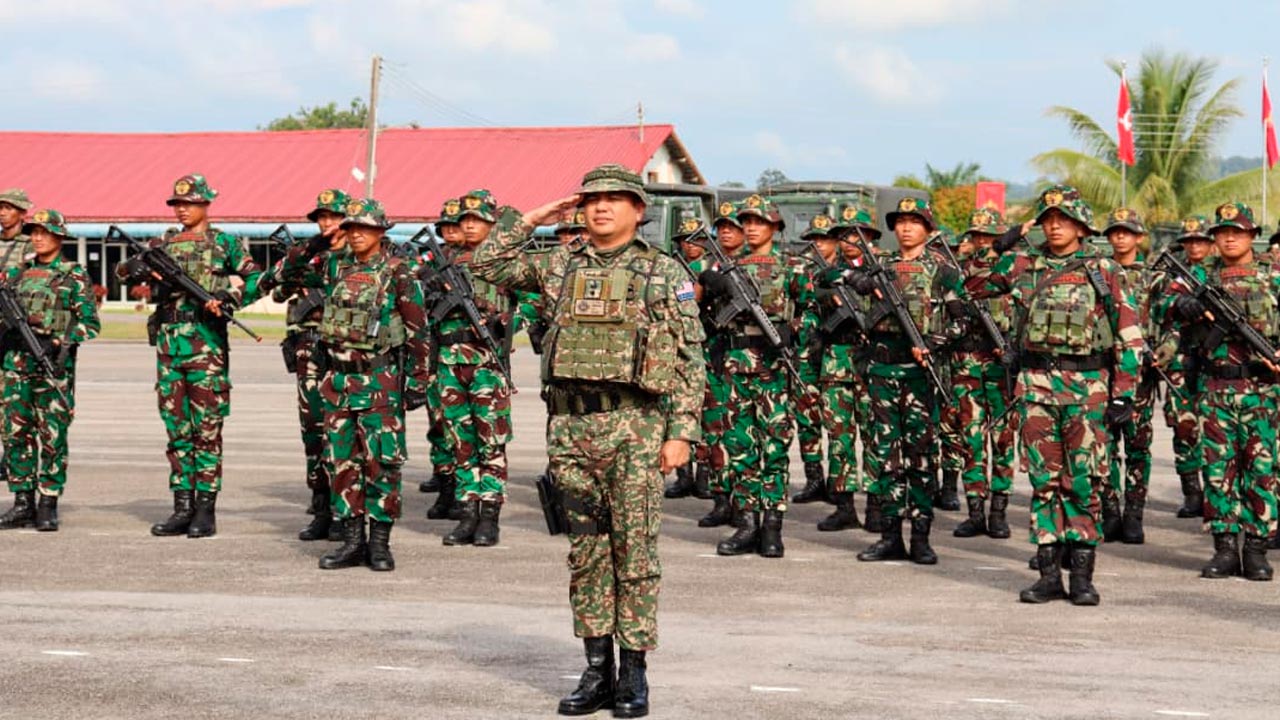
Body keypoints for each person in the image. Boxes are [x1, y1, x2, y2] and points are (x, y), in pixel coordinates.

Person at [471, 163, 705, 718]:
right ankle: (596, 668)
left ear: (638, 209)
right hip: (571, 431)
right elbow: (487, 261)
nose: (602, 207)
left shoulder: (661, 272)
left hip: (636, 429)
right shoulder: (559, 265)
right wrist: (534, 217)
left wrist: (682, 434)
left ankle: (634, 674)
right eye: (593, 199)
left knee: (636, 552)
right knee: (587, 553)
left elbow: (691, 358)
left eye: (615, 199)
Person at [974, 184, 1144, 605]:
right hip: (1036, 390)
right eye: (1048, 219)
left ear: (1081, 226)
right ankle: (1048, 573)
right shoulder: (1024, 265)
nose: (1054, 225)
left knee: (1084, 483)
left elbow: (1130, 335)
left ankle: (1082, 578)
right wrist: (1009, 238)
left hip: (1088, 391)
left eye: (1063, 219)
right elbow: (973, 283)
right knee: (1043, 483)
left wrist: (1123, 393)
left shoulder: (1103, 269)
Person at [281, 197, 430, 571]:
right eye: (352, 227)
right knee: (342, 462)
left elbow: (417, 330)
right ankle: (351, 541)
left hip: (379, 380)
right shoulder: (333, 267)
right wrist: (317, 241)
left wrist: (418, 380)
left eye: (365, 228)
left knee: (381, 462)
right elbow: (289, 270)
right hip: (338, 381)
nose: (358, 234)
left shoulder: (399, 271)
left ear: (381, 232)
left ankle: (379, 544)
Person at [117, 174, 266, 539]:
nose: (182, 209)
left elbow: (258, 279)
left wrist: (230, 299)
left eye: (190, 203)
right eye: (177, 204)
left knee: (207, 430)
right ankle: (181, 506)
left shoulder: (224, 244)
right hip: (169, 348)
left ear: (206, 205)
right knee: (177, 431)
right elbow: (124, 271)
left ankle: (205, 509)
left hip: (206, 347)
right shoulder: (162, 244)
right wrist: (133, 270)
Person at [848, 197, 969, 565]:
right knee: (884, 455)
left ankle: (920, 535)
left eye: (914, 221)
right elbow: (837, 278)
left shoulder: (944, 271)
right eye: (900, 221)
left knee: (919, 456)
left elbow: (962, 321)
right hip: (882, 372)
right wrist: (860, 281)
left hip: (919, 374)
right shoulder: (878, 266)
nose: (905, 227)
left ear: (927, 229)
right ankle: (888, 534)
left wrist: (933, 343)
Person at [1164, 201, 1278, 581]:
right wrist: (1185, 304)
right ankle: (1225, 548)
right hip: (1215, 387)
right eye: (1222, 232)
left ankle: (1257, 548)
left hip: (1261, 389)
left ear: (1252, 236)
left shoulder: (1272, 275)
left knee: (1261, 470)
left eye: (1237, 231)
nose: (1229, 237)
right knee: (1218, 470)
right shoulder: (1200, 276)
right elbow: (1162, 306)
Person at [704, 193, 816, 558]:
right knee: (740, 447)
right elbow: (687, 299)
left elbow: (814, 311)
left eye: (759, 222)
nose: (751, 227)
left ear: (775, 227)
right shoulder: (725, 266)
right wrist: (708, 286)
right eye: (746, 221)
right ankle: (747, 523)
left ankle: (772, 525)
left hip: (774, 368)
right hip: (736, 366)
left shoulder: (793, 266)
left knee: (774, 448)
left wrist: (793, 330)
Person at [424, 189, 516, 547]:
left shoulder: (506, 261)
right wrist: (431, 291)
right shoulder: (443, 261)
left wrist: (507, 323)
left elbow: (536, 301)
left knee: (490, 442)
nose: (470, 226)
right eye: (465, 220)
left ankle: (489, 515)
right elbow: (420, 306)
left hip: (486, 363)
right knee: (461, 442)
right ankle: (467, 513)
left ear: (492, 224)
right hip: (449, 363)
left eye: (478, 220)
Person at [0, 209, 99, 531]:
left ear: (59, 236)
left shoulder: (73, 275)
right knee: (16, 436)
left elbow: (90, 324)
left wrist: (59, 340)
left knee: (53, 437)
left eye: (44, 232)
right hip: (15, 367)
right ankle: (22, 502)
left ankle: (48, 502)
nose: (38, 237)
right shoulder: (16, 274)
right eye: (33, 232)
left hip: (52, 369)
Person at [275, 188, 350, 542]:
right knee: (313, 435)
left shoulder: (361, 258)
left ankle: (343, 511)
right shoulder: (309, 257)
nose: (326, 223)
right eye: (321, 217)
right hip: (309, 358)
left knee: (345, 438)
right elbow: (277, 285)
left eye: (333, 217)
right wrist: (306, 255)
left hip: (347, 360)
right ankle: (320, 507)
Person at [949, 206, 1016, 540]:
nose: (981, 241)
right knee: (971, 439)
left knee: (1003, 439)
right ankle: (975, 509)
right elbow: (957, 294)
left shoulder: (1013, 267)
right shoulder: (959, 269)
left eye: (988, 236)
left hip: (1000, 363)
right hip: (967, 362)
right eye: (976, 235)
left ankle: (999, 511)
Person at [807, 206, 875, 532]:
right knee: (839, 436)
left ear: (871, 237)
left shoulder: (883, 271)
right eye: (844, 235)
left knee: (876, 436)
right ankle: (845, 505)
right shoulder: (828, 271)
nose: (850, 241)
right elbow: (816, 290)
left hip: (870, 363)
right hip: (836, 361)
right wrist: (831, 291)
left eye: (857, 234)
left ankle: (877, 505)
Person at [1100, 207, 1157, 544]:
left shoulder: (1154, 278)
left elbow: (1167, 324)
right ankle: (1110, 511)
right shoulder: (1098, 273)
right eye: (1114, 231)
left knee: (1138, 446)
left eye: (1127, 231)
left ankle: (1134, 514)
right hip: (1102, 371)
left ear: (1139, 237)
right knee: (1103, 446)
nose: (1120, 237)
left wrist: (1159, 353)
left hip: (1140, 376)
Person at [1151, 216, 1214, 519]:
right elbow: (1158, 306)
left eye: (1200, 240)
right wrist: (1179, 304)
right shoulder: (1173, 273)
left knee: (1217, 428)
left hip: (1215, 359)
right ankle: (1192, 492)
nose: (1195, 246)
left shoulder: (1220, 270)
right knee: (1182, 424)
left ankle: (1218, 493)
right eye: (1189, 241)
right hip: (1179, 358)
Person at [694, 201, 745, 529]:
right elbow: (682, 298)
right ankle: (720, 498)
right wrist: (699, 288)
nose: (726, 230)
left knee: (741, 434)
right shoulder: (704, 263)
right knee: (712, 430)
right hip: (712, 356)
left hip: (743, 358)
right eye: (721, 226)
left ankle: (744, 501)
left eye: (733, 225)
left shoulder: (753, 265)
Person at [421, 197, 464, 506]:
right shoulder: (432, 259)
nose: (450, 232)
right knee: (438, 418)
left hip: (474, 355)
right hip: (437, 349)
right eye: (444, 228)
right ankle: (445, 478)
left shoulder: (485, 258)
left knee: (467, 426)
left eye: (455, 226)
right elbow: (408, 278)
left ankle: (466, 488)